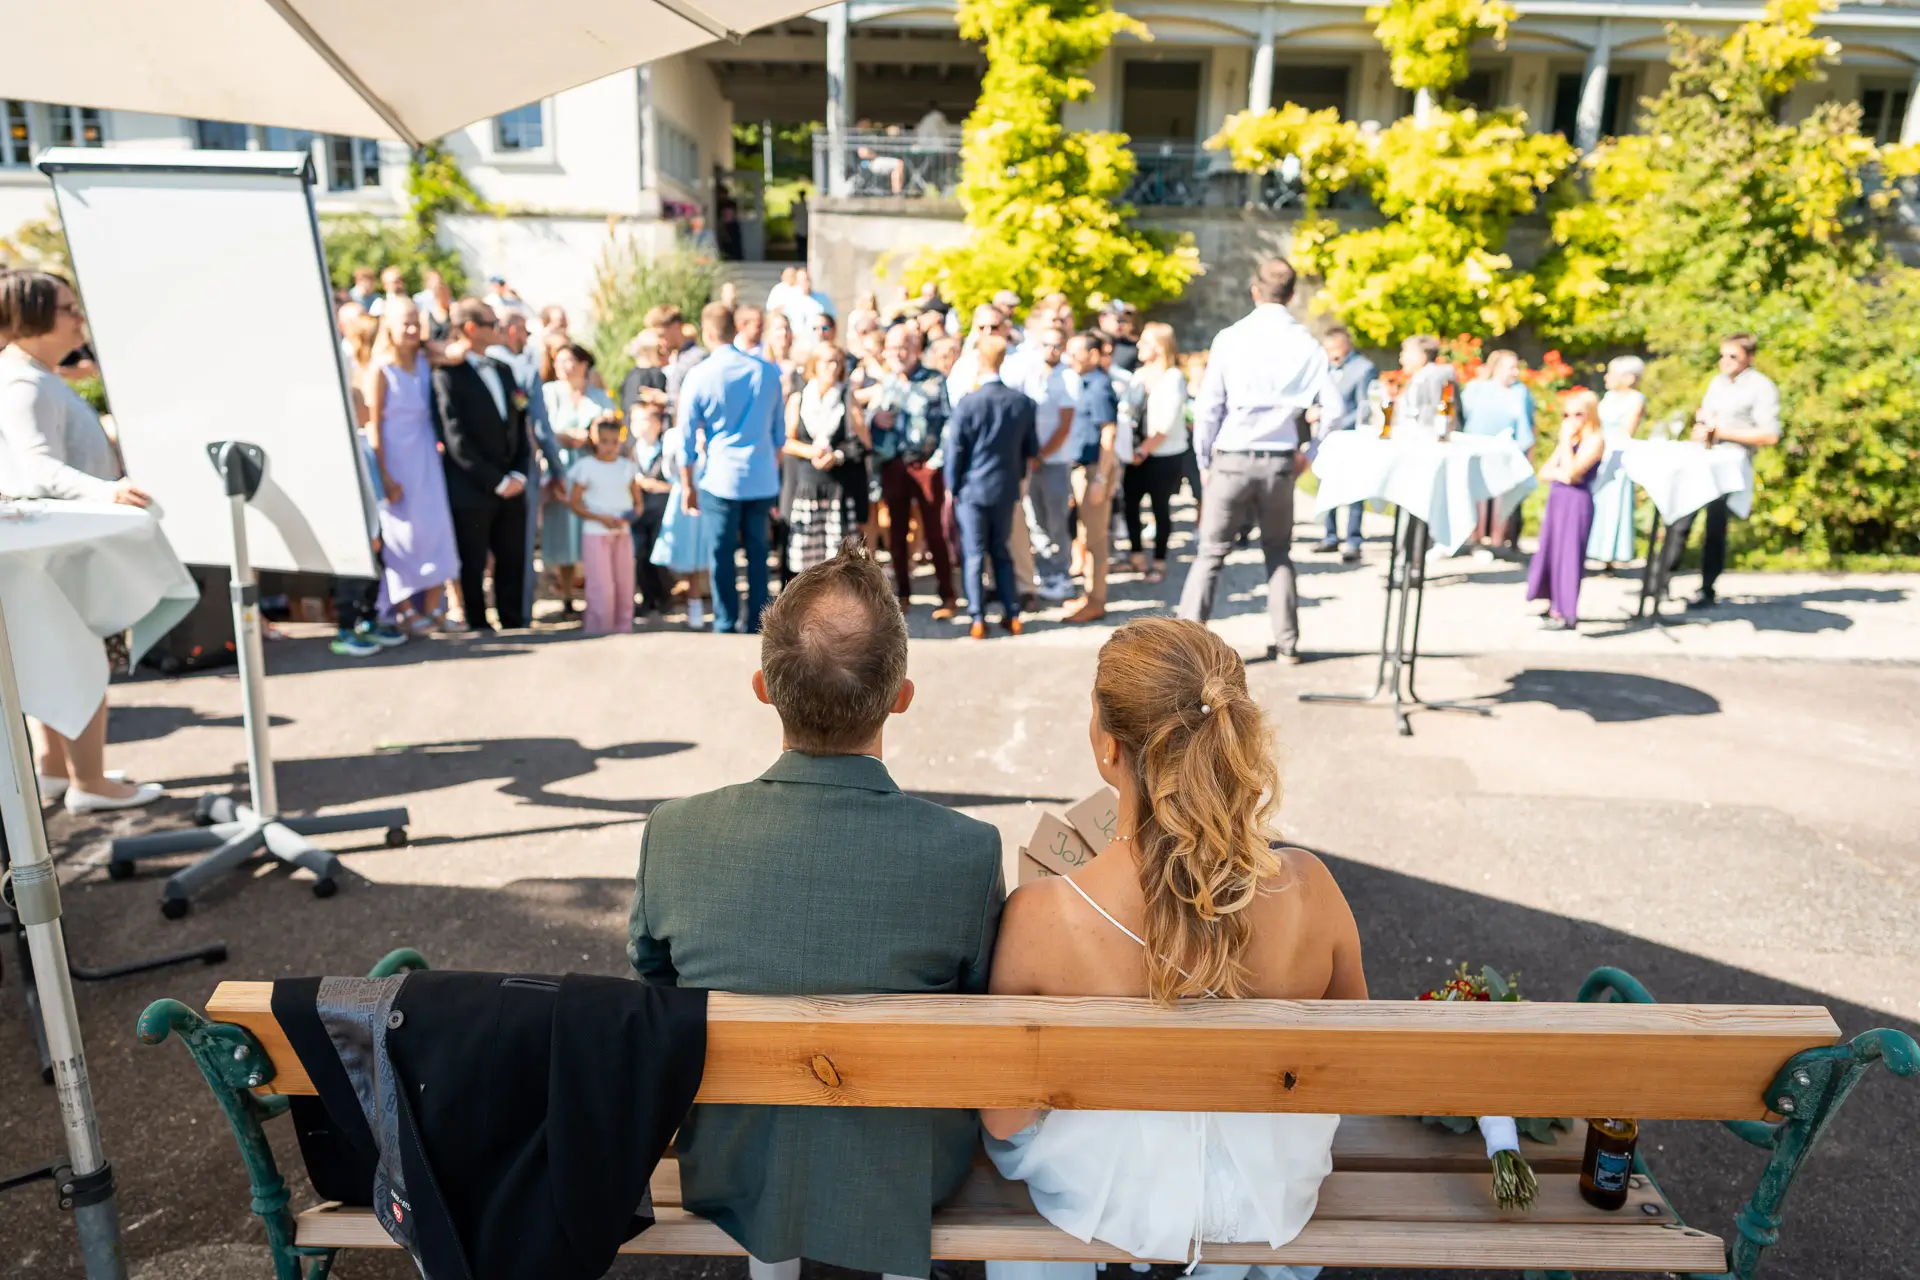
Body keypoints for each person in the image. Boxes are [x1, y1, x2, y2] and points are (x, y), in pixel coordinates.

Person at [628, 544, 1004, 1280]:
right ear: (901, 696)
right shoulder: (966, 852)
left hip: (735, 1156)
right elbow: (980, 1001)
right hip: (909, 1163)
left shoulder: (674, 833)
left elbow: (652, 986)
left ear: (764, 687)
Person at [982, 616, 1366, 1278]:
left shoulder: (1042, 915)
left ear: (1109, 751)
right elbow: (1356, 1063)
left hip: (1106, 1194)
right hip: (1264, 1190)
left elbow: (1003, 1118)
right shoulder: (1310, 888)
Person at [0, 271, 164, 814]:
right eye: (68, 308)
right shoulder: (23, 381)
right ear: (34, 316)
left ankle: (55, 770)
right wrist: (109, 493)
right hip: (63, 551)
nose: (78, 318)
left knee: (53, 657)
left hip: (57, 549)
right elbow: (40, 468)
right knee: (79, 658)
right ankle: (89, 782)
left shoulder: (29, 374)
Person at [1178, 259, 1340, 665]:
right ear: (1292, 295)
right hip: (1280, 460)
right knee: (1278, 552)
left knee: (1210, 554)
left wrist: (1204, 459)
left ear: (1255, 291)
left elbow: (1209, 406)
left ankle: (1183, 646)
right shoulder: (1307, 344)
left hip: (1232, 456)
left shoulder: (1231, 338)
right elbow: (1334, 409)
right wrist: (1312, 452)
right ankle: (1287, 643)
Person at [678, 302, 785, 633]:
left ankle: (725, 621)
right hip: (761, 475)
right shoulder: (768, 372)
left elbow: (684, 436)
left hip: (721, 476)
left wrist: (686, 485)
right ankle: (757, 621)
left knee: (721, 554)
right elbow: (779, 433)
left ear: (708, 333)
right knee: (758, 551)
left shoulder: (700, 374)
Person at [1660, 333, 1780, 609]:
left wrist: (1721, 432)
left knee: (1715, 528)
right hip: (1705, 458)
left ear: (1749, 357)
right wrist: (1703, 429)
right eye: (1723, 355)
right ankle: (1660, 580)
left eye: (1733, 356)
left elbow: (1769, 435)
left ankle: (1707, 588)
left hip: (1730, 465)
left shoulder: (1761, 387)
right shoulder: (1717, 383)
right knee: (1680, 517)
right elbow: (1707, 417)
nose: (1725, 361)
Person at [434, 300, 533, 632]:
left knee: (513, 559)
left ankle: (514, 622)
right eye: (493, 323)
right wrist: (495, 481)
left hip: (512, 482)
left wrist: (519, 472)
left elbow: (519, 424)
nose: (500, 330)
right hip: (472, 487)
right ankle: (478, 624)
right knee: (473, 561)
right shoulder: (447, 375)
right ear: (472, 329)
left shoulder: (503, 370)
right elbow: (455, 438)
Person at [364, 298, 461, 635]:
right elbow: (374, 425)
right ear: (388, 325)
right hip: (396, 457)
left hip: (426, 456)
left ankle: (433, 607)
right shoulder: (380, 368)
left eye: (413, 322)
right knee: (401, 535)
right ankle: (404, 609)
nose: (409, 329)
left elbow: (456, 352)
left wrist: (427, 340)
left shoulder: (423, 360)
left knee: (436, 528)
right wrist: (384, 476)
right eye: (403, 323)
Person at [946, 334, 1038, 639]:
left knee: (974, 554)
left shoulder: (969, 403)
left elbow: (956, 450)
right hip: (1005, 486)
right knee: (1001, 550)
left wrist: (952, 485)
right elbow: (1030, 448)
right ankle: (1012, 613)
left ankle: (977, 617)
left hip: (973, 487)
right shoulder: (1021, 402)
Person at [872, 324, 956, 616]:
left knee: (935, 531)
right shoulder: (888, 381)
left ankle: (947, 595)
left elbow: (949, 424)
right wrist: (875, 418)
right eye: (893, 347)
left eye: (904, 347)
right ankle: (902, 596)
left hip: (926, 465)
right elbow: (873, 419)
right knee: (895, 532)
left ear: (917, 349)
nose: (898, 353)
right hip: (894, 464)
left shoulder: (934, 380)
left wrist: (936, 462)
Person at [540, 343, 615, 618]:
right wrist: (563, 437)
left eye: (568, 360)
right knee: (563, 532)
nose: (561, 366)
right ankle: (567, 595)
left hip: (592, 470)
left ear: (583, 364)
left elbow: (610, 427)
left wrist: (590, 438)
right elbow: (540, 428)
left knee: (591, 531)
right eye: (557, 360)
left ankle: (595, 596)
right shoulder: (548, 393)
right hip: (560, 469)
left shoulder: (598, 397)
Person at [780, 344, 869, 574]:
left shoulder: (846, 397)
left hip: (838, 488)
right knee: (805, 566)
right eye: (827, 361)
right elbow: (787, 441)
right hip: (807, 489)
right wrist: (812, 452)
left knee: (839, 565)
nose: (832, 367)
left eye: (837, 362)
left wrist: (837, 455)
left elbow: (864, 442)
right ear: (814, 365)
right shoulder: (799, 399)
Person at [1525, 389, 1606, 630]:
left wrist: (1564, 445)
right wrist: (1564, 452)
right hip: (1558, 500)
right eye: (1566, 415)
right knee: (1552, 551)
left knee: (1569, 556)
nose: (1571, 420)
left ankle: (1566, 612)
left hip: (1577, 503)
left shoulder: (1595, 440)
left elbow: (1572, 472)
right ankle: (1552, 603)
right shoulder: (1571, 440)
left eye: (1578, 414)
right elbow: (1545, 472)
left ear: (1590, 414)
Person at [1121, 322, 1188, 584]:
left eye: (1145, 342)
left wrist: (1142, 451)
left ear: (1159, 347)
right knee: (1130, 505)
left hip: (1163, 455)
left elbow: (1166, 424)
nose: (1138, 346)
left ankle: (1159, 561)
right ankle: (1136, 555)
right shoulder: (1138, 376)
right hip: (1136, 452)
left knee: (1160, 507)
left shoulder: (1173, 377)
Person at [568, 413, 642, 636]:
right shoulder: (586, 466)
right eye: (603, 441)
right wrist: (601, 519)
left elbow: (638, 505)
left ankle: (623, 627)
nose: (609, 447)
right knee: (601, 586)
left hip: (621, 532)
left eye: (614, 441)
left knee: (624, 583)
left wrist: (625, 519)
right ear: (594, 441)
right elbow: (575, 503)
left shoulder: (627, 467)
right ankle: (599, 630)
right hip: (595, 533)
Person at [1019, 325, 1079, 603]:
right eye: (1046, 344)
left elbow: (1064, 425)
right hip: (1033, 460)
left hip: (1054, 460)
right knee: (1036, 520)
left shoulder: (1067, 378)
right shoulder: (1031, 376)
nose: (1051, 350)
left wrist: (1040, 455)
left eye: (1056, 345)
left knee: (1057, 521)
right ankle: (1045, 571)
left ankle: (1062, 574)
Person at [1063, 330, 1119, 623]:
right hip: (1085, 468)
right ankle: (1089, 595)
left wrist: (1101, 479)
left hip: (1096, 469)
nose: (1069, 358)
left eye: (1076, 352)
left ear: (1094, 355)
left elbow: (1108, 433)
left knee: (1096, 540)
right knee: (1086, 535)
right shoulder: (1087, 383)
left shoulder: (1099, 387)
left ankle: (1096, 600)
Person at [1460, 349, 1536, 555]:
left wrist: (1529, 453)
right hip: (1479, 450)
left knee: (1504, 497)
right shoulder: (1476, 389)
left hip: (1507, 452)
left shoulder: (1521, 392)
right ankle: (1474, 539)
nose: (1515, 372)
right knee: (1479, 496)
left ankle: (1497, 541)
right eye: (1511, 367)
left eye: (1516, 367)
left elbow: (1528, 425)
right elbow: (1462, 417)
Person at [1312, 325, 1374, 563]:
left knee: (1354, 489)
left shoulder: (1364, 369)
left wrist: (1332, 420)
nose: (1332, 354)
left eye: (1335, 349)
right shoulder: (1324, 368)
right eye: (1328, 349)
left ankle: (1353, 540)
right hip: (1327, 439)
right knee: (1326, 485)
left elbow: (1363, 408)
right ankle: (1329, 536)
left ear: (1346, 345)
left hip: (1351, 438)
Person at [1587, 355, 1647, 569]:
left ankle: (1609, 556)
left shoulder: (1635, 399)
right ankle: (1593, 550)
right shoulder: (1609, 397)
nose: (1606, 378)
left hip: (1617, 457)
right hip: (1598, 452)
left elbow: (1626, 432)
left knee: (1613, 504)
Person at [628, 402, 678, 618]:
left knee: (659, 555)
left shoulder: (667, 450)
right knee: (640, 554)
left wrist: (655, 485)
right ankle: (647, 597)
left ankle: (665, 596)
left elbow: (677, 483)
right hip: (638, 511)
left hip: (661, 510)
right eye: (634, 420)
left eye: (644, 420)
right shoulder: (629, 451)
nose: (638, 426)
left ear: (658, 424)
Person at [1098, 301, 1139, 373]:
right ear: (1102, 320)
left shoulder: (1132, 349)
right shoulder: (1088, 343)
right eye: (1118, 320)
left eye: (1124, 320)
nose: (1122, 324)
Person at [791, 192, 810, 262]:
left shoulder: (797, 206)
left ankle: (802, 261)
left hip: (800, 230)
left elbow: (791, 216)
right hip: (806, 230)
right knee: (805, 248)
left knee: (801, 248)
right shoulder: (808, 205)